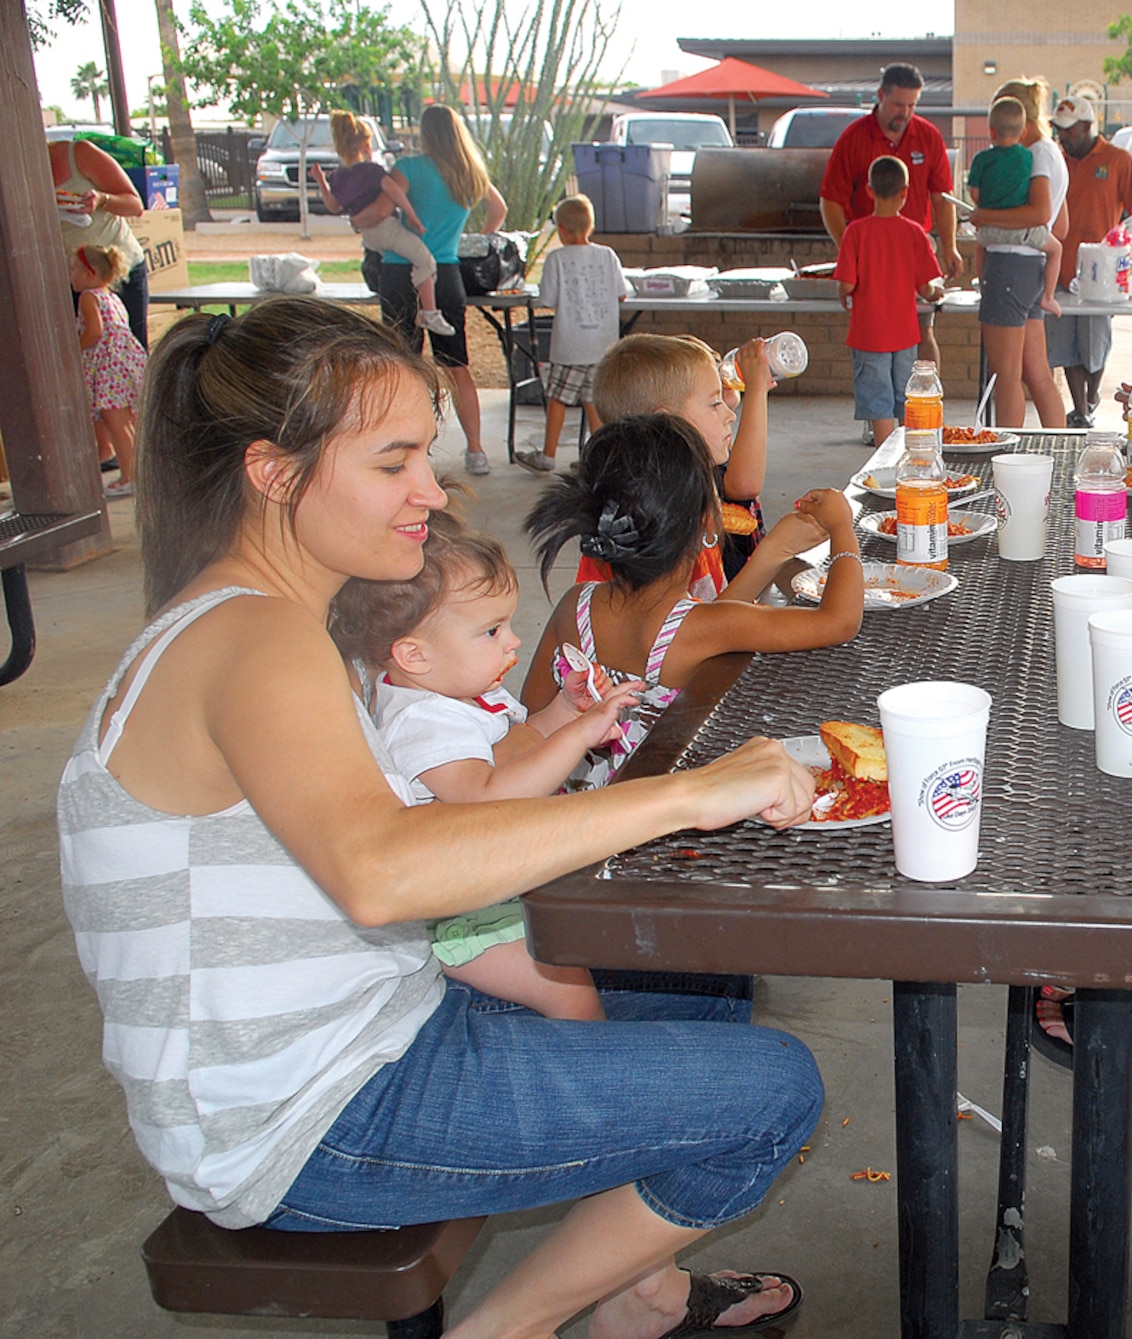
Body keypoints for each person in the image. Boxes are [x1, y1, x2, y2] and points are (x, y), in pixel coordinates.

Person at [61, 297, 821, 1337]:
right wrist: (688, 790)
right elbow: (383, 869)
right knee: (774, 1088)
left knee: (703, 987)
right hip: (303, 1120)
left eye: (426, 452)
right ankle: (508, 1326)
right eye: (392, 462)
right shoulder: (256, 639)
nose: (431, 490)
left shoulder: (264, 621)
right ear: (273, 473)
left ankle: (633, 1292)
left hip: (377, 1027)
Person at [329, 509, 640, 1020]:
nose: (514, 641)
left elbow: (524, 741)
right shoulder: (423, 721)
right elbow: (488, 797)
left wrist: (566, 710)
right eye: (491, 631)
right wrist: (584, 732)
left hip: (504, 884)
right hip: (470, 916)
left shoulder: (466, 693)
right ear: (414, 655)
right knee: (568, 989)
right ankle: (591, 1080)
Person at [519, 415, 865, 788]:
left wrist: (773, 551)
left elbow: (531, 719)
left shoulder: (575, 606)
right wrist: (843, 528)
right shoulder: (703, 627)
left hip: (571, 810)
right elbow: (839, 620)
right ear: (705, 521)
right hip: (658, 816)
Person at [592, 333, 834, 595]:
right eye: (714, 402)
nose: (730, 416)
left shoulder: (688, 492)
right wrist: (777, 550)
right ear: (665, 424)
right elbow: (698, 630)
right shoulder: (652, 523)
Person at [376, 103, 508, 476]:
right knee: (456, 363)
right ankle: (477, 450)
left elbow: (385, 207)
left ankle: (407, 449)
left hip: (402, 270)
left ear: (425, 132)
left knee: (403, 364)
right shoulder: (470, 172)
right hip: (448, 271)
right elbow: (498, 208)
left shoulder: (409, 169)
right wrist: (477, 237)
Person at [819, 62, 961, 375]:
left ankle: (926, 404)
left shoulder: (928, 136)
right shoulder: (854, 138)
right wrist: (853, 253)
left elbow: (941, 198)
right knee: (875, 339)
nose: (905, 113)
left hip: (915, 252)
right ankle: (880, 418)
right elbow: (830, 202)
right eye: (898, 104)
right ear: (881, 95)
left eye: (912, 105)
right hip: (871, 262)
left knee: (924, 329)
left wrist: (948, 246)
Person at [1046, 94, 1132, 425]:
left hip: (1102, 273)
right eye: (1059, 131)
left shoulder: (1118, 160)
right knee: (1066, 345)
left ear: (1087, 126)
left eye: (1069, 131)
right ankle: (1080, 411)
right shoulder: (1056, 161)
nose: (1063, 137)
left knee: (1094, 344)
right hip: (1061, 270)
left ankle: (1090, 397)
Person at [969, 77, 1069, 429]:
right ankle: (1059, 445)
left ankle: (1006, 457)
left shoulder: (1032, 155)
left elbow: (1040, 213)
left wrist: (986, 218)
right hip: (1032, 267)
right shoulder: (1052, 151)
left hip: (1009, 263)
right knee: (1036, 373)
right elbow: (1059, 225)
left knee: (1006, 376)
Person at [310, 109, 454, 338]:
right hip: (387, 230)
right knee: (425, 261)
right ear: (365, 146)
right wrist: (412, 217)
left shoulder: (338, 176)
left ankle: (423, 310)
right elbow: (394, 192)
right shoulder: (373, 172)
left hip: (370, 237)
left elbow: (333, 205)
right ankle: (430, 312)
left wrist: (321, 181)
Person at [836, 155, 948, 446]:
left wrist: (842, 296)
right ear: (905, 192)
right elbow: (926, 288)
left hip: (868, 334)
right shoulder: (914, 233)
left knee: (878, 401)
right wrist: (937, 293)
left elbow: (846, 283)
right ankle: (910, 456)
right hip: (905, 334)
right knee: (904, 399)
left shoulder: (855, 232)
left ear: (869, 191)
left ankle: (884, 460)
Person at [526, 194, 630, 472]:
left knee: (558, 398)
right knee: (593, 402)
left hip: (570, 346)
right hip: (603, 346)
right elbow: (622, 294)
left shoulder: (557, 259)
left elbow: (546, 300)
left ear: (561, 229)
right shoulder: (607, 255)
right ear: (590, 226)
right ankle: (600, 460)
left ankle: (548, 455)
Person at [966, 98, 1063, 320]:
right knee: (1055, 249)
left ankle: (983, 285)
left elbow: (974, 193)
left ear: (991, 131)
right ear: (1023, 133)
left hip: (996, 235)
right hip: (1028, 237)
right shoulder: (1029, 157)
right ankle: (1048, 295)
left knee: (981, 246)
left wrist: (984, 209)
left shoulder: (982, 159)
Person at [49, 136, 148, 348]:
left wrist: (102, 200)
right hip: (70, 279)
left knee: (128, 351)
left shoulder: (79, 153)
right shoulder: (17, 171)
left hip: (115, 271)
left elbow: (135, 205)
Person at [71, 243, 146, 498]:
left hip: (109, 371)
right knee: (127, 424)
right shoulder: (111, 297)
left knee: (118, 425)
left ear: (90, 274)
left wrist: (74, 349)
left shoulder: (88, 297)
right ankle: (135, 472)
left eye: (74, 269)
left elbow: (95, 332)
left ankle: (130, 476)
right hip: (123, 365)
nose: (71, 275)